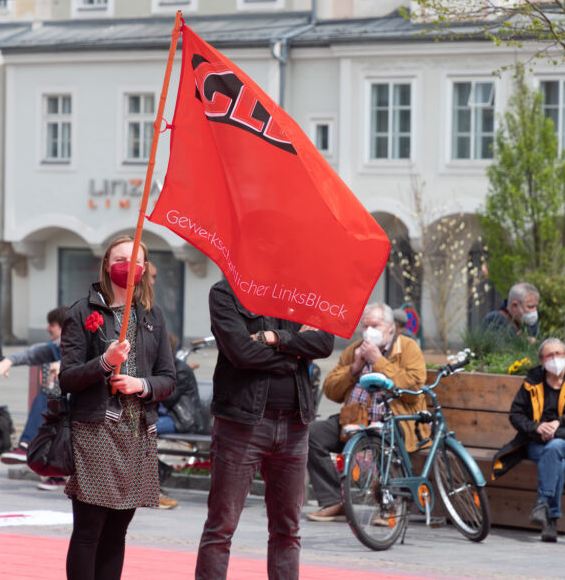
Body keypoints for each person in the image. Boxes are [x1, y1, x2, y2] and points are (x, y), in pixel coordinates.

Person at [195, 278, 334, 580]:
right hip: (241, 423)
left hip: (295, 423)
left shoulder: (303, 291)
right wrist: (292, 354)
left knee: (288, 529)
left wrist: (273, 337)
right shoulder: (226, 292)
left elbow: (324, 343)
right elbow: (240, 352)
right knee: (222, 527)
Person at [59, 236, 176, 580]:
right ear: (107, 264)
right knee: (89, 529)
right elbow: (68, 378)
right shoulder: (83, 311)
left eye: (137, 261)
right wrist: (105, 363)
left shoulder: (152, 315)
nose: (130, 266)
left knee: (118, 530)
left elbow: (168, 378)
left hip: (137, 430)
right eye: (121, 258)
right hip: (95, 430)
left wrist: (142, 385)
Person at [305, 303, 427, 522]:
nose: (369, 330)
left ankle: (390, 507)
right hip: (354, 421)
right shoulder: (356, 348)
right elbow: (331, 390)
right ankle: (333, 501)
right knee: (311, 435)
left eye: (375, 325)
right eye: (365, 325)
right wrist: (354, 367)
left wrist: (378, 362)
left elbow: (413, 389)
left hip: (392, 420)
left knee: (382, 437)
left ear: (390, 327)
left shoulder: (407, 347)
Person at [493, 337, 565, 542]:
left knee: (555, 449)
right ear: (542, 360)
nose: (555, 359)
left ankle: (543, 504)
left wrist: (558, 426)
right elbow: (516, 415)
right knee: (554, 458)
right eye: (550, 355)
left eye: (559, 354)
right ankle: (551, 519)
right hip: (534, 443)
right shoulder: (532, 381)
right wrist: (536, 427)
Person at [0, 306, 69, 490]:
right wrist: (7, 362)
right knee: (48, 402)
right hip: (66, 400)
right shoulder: (54, 347)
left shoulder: (81, 345)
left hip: (88, 403)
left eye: (51, 324)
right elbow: (31, 354)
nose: (47, 329)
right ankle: (55, 474)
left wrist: (64, 365)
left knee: (47, 401)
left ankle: (26, 446)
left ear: (63, 327)